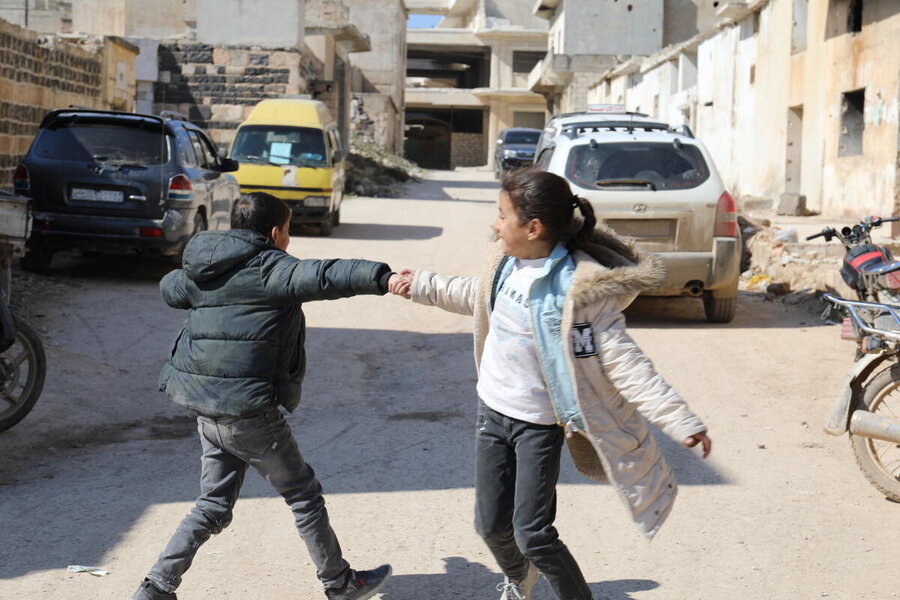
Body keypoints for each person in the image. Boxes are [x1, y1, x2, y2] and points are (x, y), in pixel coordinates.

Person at [391, 169, 712, 600]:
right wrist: (422, 285)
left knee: (534, 534)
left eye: (502, 215)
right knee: (489, 525)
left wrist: (679, 419)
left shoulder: (579, 291)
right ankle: (520, 576)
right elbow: (476, 296)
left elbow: (624, 360)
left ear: (533, 227)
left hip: (537, 427)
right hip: (492, 412)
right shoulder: (504, 262)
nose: (495, 223)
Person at [133, 192, 399, 600]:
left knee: (212, 506)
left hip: (207, 409)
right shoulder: (270, 269)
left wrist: (194, 281)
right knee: (303, 494)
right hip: (249, 413)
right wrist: (382, 277)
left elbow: (171, 288)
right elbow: (327, 275)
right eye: (288, 232)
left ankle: (154, 587)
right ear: (276, 233)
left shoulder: (207, 267)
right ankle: (339, 583)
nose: (289, 242)